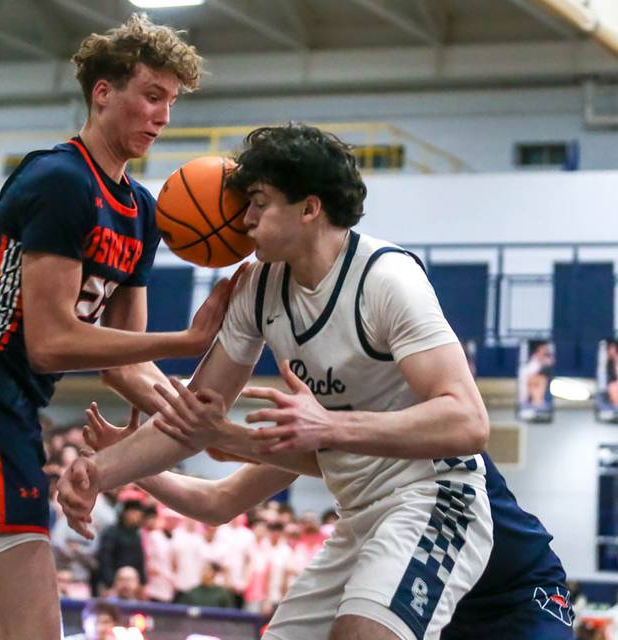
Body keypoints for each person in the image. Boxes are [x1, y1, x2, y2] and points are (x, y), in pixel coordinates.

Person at [59, 124, 575, 640]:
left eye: (259, 202)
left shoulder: (385, 279)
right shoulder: (259, 295)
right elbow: (194, 424)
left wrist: (325, 427)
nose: (246, 219)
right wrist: (96, 473)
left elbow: (468, 421)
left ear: (310, 208)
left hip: (442, 502)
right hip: (363, 519)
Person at [0, 14, 232, 640]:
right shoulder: (59, 178)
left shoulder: (143, 212)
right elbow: (49, 343)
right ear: (103, 92)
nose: (162, 116)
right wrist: (188, 341)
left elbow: (124, 363)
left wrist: (199, 422)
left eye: (171, 102)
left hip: (4, 407)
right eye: (151, 96)